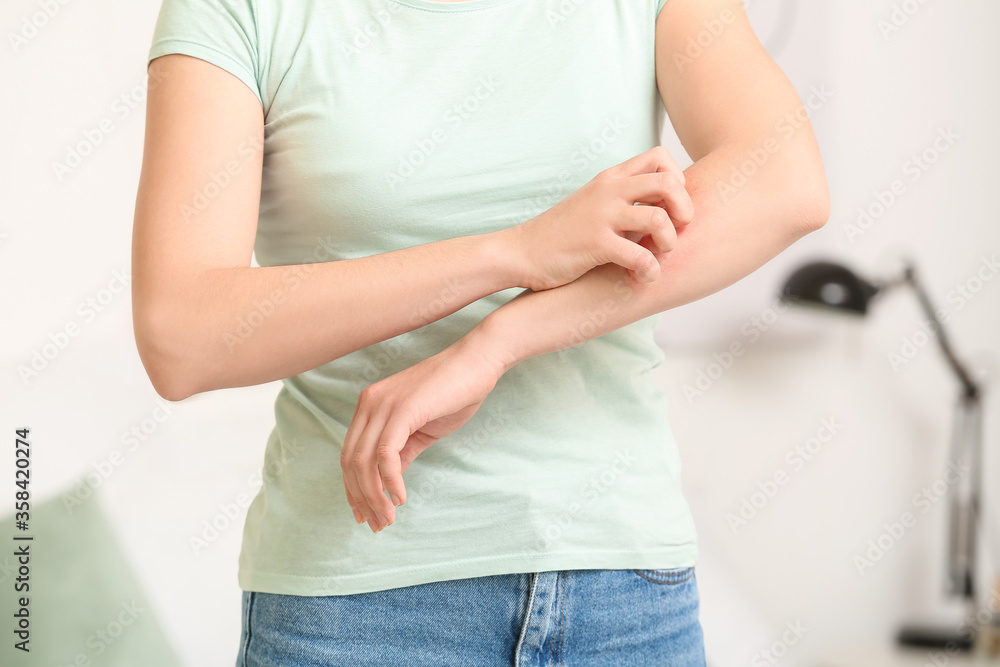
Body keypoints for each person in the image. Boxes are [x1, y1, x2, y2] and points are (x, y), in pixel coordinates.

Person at [131, 0, 829, 664]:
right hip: (353, 608)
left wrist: (497, 341)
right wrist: (513, 251)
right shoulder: (240, 12)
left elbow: (783, 180)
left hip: (620, 594)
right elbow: (180, 332)